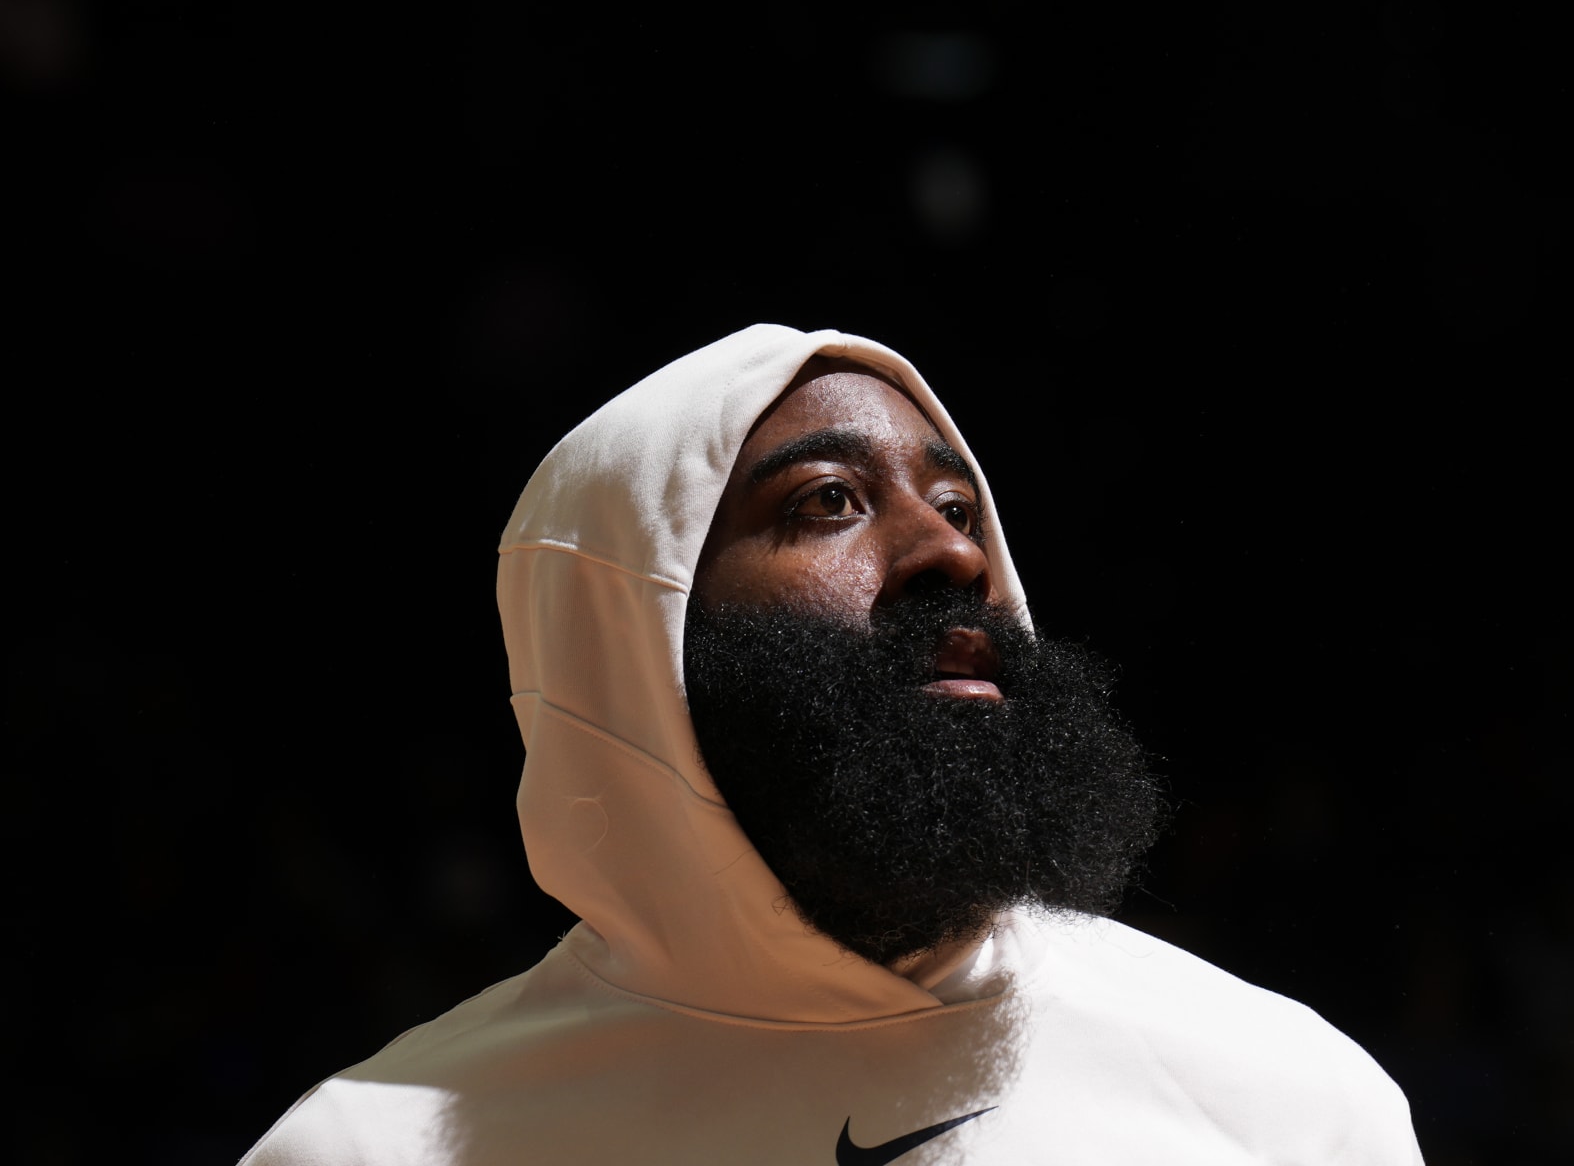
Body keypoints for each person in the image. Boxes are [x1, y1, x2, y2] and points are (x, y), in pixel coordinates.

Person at [241, 325, 1424, 1164]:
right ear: (630, 638)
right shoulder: (373, 1145)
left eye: (961, 510)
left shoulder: (1289, 1100)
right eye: (826, 503)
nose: (951, 555)